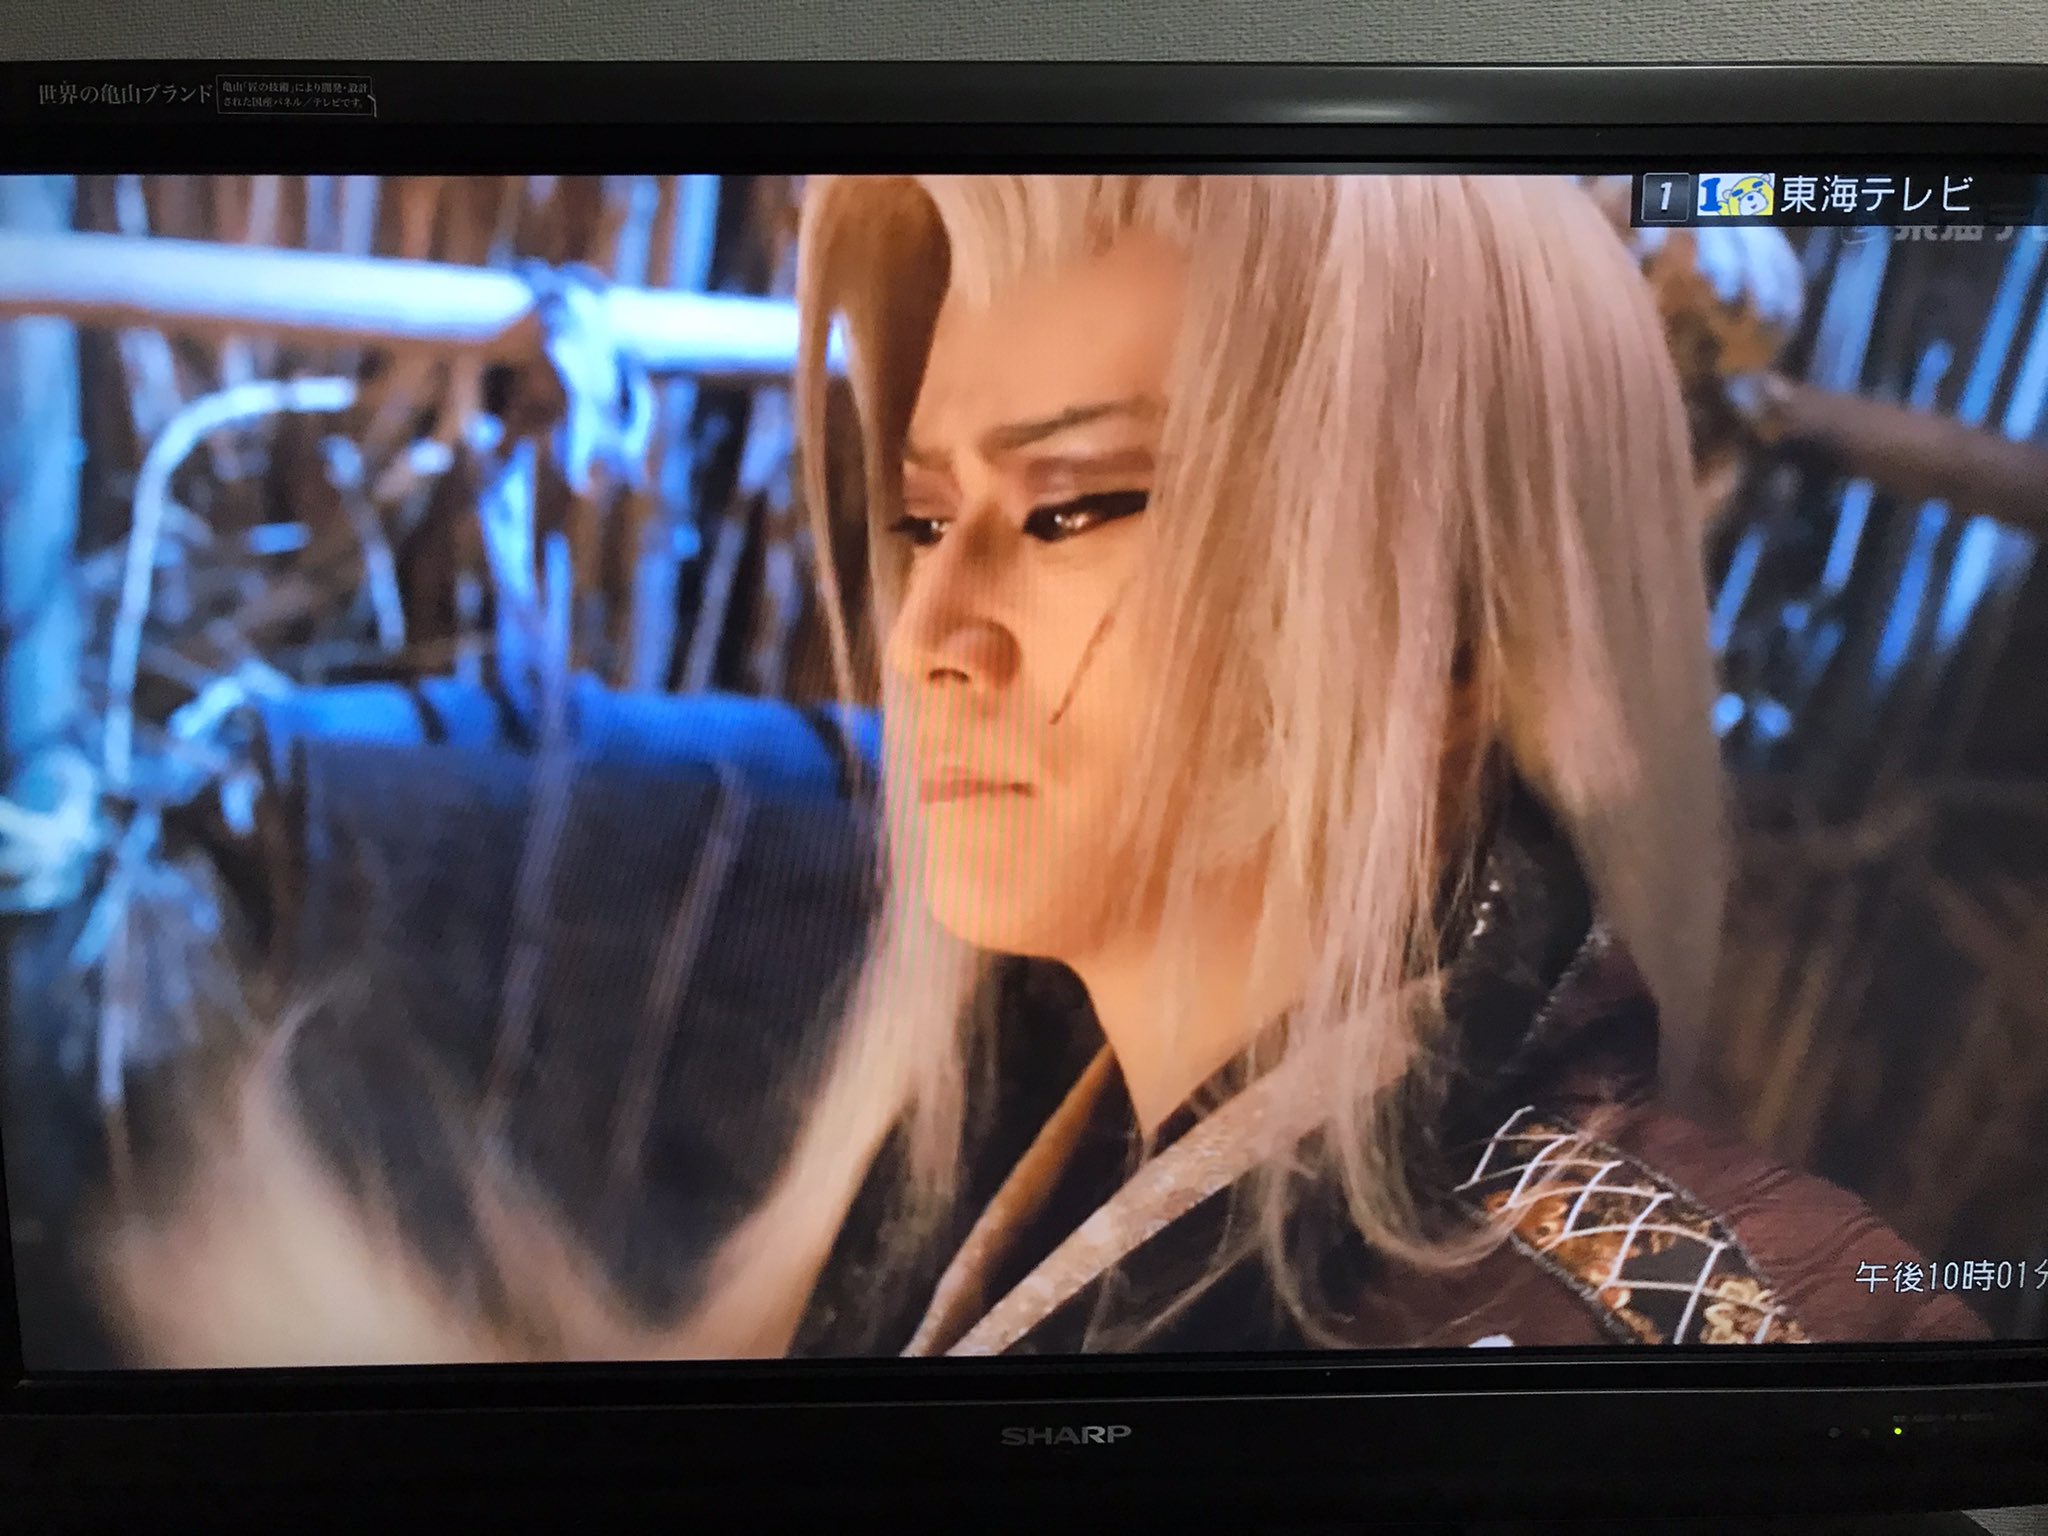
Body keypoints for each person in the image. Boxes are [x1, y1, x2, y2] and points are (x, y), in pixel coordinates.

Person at [98, 174, 1983, 1364]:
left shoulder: (1734, 1339)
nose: (932, 630)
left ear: (1453, 644)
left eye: (1072, 507)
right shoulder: (986, 1149)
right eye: (925, 519)